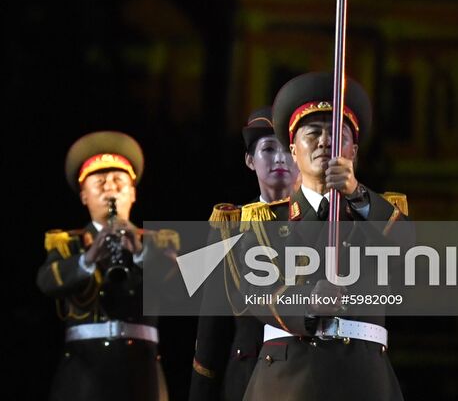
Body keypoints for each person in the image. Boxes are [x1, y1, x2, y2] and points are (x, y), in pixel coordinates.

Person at [234, 71, 411, 401]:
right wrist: (308, 302)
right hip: (289, 380)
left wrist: (357, 194)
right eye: (312, 133)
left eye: (338, 134)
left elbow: (410, 259)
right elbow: (255, 292)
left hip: (363, 379)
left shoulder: (377, 214)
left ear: (353, 151)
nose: (325, 141)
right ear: (293, 150)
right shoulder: (266, 222)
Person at [37, 130, 179, 401]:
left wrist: (140, 253)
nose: (110, 187)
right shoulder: (68, 244)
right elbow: (46, 282)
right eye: (99, 182)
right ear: (83, 196)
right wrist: (88, 258)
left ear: (133, 193)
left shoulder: (158, 243)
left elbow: (180, 290)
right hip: (84, 371)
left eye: (118, 180)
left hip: (143, 371)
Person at [189, 106, 299, 400]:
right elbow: (212, 329)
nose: (279, 158)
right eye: (267, 149)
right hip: (249, 379)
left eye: (288, 149)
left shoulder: (328, 221)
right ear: (250, 161)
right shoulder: (229, 227)